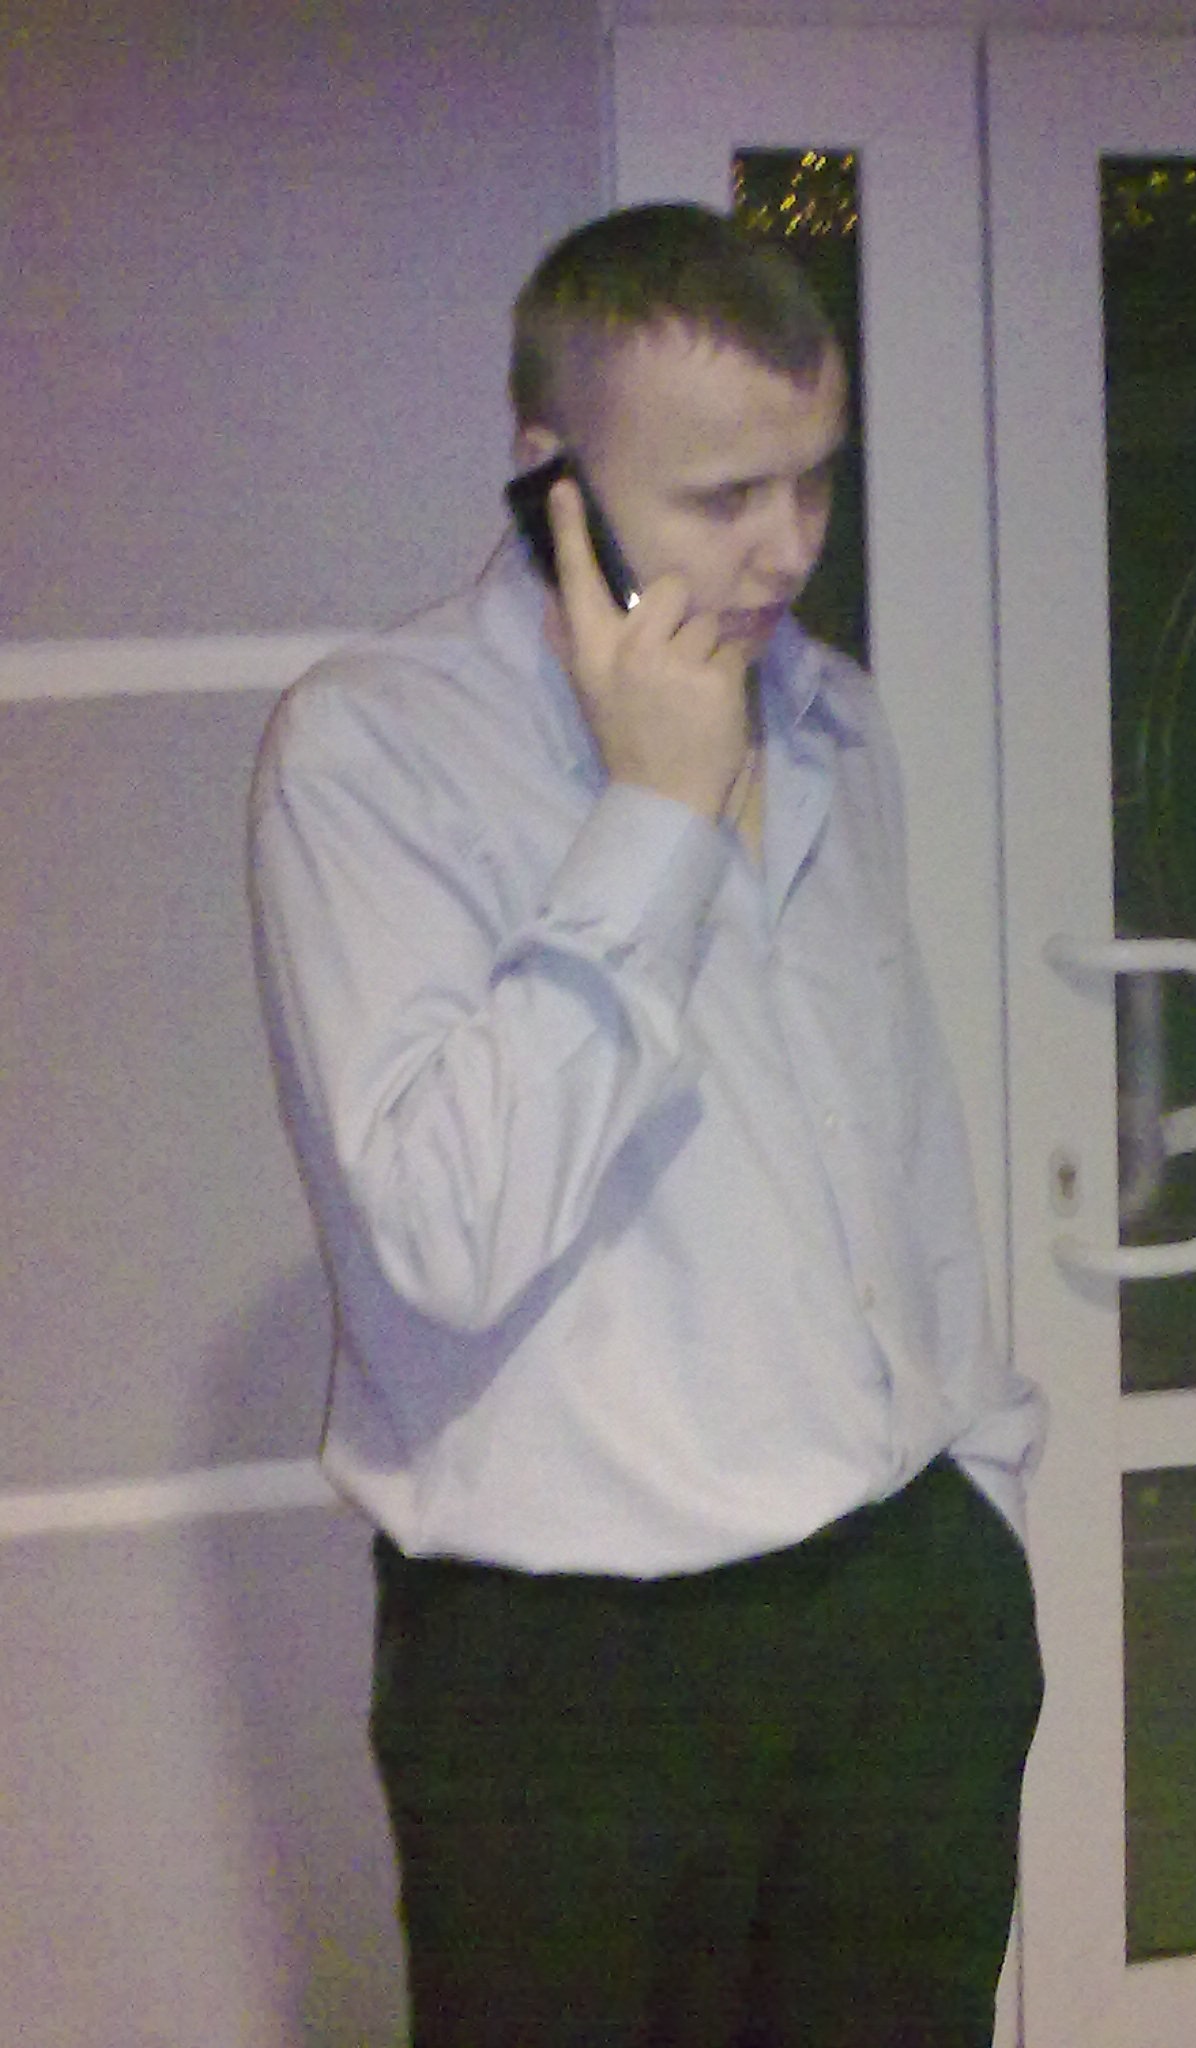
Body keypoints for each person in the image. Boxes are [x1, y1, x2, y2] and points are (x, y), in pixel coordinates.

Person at [249, 201, 1044, 2048]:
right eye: (724, 497)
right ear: (553, 475)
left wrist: (981, 1496)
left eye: (815, 478)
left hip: (897, 1611)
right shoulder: (372, 749)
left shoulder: (832, 716)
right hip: (574, 1678)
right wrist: (657, 821)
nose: (790, 546)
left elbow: (893, 1153)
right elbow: (442, 1238)